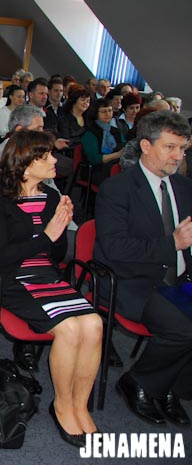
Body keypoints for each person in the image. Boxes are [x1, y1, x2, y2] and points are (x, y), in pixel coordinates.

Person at [0, 130, 102, 446]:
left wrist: (60, 228)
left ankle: (79, 405)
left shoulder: (50, 197)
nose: (54, 161)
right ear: (24, 161)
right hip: (11, 280)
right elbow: (0, 258)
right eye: (45, 156)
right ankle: (62, 405)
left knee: (93, 323)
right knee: (70, 330)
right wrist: (47, 235)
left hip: (45, 274)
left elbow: (57, 255)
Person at [95, 110, 192, 426]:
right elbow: (115, 249)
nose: (178, 156)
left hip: (179, 279)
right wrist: (172, 243)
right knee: (184, 330)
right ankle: (138, 382)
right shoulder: (117, 189)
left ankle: (170, 388)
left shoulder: (183, 187)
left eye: (182, 148)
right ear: (146, 146)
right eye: (170, 147)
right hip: (134, 282)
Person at [0, 105, 46, 204]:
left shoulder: (41, 156)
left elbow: (55, 197)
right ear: (19, 131)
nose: (43, 134)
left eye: (43, 129)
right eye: (37, 129)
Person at [81, 100, 125, 184]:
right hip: (95, 170)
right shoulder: (90, 133)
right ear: (96, 113)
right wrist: (117, 155)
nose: (108, 114)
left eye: (110, 110)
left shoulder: (115, 131)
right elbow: (94, 159)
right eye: (104, 111)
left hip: (113, 166)